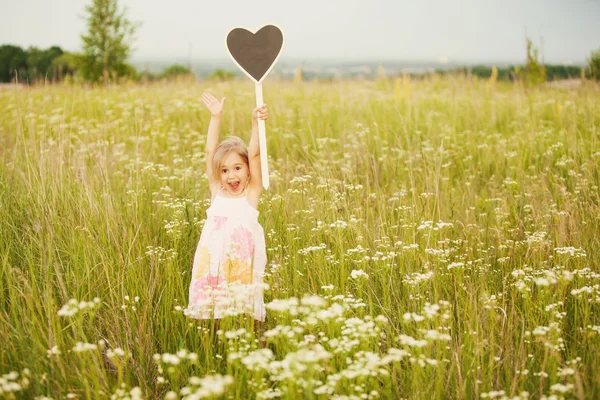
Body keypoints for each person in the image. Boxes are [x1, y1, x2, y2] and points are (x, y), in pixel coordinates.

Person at [186, 92, 268, 326]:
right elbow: (210, 153)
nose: (231, 175)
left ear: (248, 170)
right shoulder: (217, 191)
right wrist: (216, 117)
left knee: (244, 314)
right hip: (213, 266)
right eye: (224, 170)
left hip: (242, 267)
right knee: (215, 316)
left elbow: (254, 153)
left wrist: (256, 122)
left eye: (237, 168)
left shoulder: (251, 194)